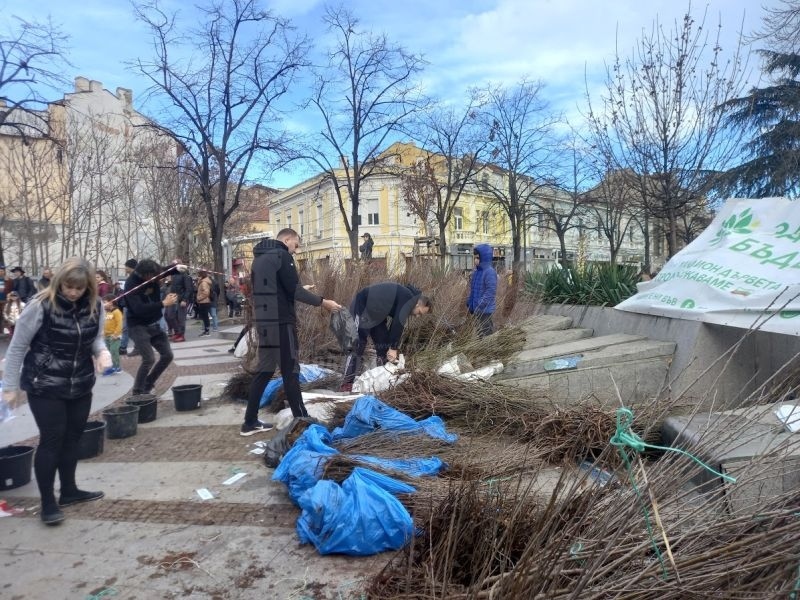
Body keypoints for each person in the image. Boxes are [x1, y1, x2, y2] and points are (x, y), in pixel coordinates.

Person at [1, 257, 112, 525]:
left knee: (73, 438)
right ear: (59, 282)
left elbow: (95, 338)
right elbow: (17, 347)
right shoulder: (40, 306)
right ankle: (48, 502)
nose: (73, 293)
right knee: (52, 440)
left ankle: (70, 491)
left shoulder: (94, 305)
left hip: (80, 382)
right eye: (68, 287)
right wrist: (10, 386)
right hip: (45, 384)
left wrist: (103, 352)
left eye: (79, 288)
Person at [243, 228, 341, 436]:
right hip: (281, 322)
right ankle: (302, 420)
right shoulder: (282, 255)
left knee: (265, 371)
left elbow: (270, 288)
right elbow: (294, 291)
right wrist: (324, 303)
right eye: (296, 245)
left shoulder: (259, 260)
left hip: (265, 322)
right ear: (287, 240)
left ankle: (249, 422)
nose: (296, 251)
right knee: (291, 372)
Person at [340, 282, 432, 392]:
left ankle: (383, 380)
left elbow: (396, 324)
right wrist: (393, 348)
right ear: (418, 304)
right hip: (362, 305)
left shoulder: (408, 298)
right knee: (358, 344)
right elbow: (398, 323)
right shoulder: (409, 299)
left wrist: (391, 347)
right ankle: (346, 383)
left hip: (377, 315)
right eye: (420, 313)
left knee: (383, 345)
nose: (417, 316)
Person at [124, 259, 179, 395]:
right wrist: (163, 303)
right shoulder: (131, 284)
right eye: (153, 277)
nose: (157, 279)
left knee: (167, 355)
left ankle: (148, 383)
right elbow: (138, 309)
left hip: (154, 324)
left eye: (157, 276)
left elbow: (167, 270)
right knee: (149, 358)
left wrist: (178, 268)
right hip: (137, 325)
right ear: (144, 275)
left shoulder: (153, 274)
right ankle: (137, 392)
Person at [466, 244, 498, 338]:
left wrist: (480, 304)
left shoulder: (489, 272)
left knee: (486, 336)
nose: (475, 259)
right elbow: (474, 290)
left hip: (485, 311)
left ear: (484, 258)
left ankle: (489, 352)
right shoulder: (477, 272)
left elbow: (490, 292)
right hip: (477, 310)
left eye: (478, 257)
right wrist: (470, 303)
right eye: (475, 257)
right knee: (480, 335)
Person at [165, 258, 194, 342]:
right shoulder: (173, 275)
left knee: (181, 318)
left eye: (174, 265)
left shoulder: (185, 275)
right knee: (169, 316)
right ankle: (177, 332)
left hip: (182, 299)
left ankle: (181, 335)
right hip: (173, 298)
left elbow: (189, 289)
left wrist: (184, 300)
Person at [119, 258, 138, 356]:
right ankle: (123, 347)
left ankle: (138, 346)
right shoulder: (130, 278)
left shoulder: (136, 279)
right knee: (125, 328)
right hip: (127, 305)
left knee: (131, 328)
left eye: (126, 267)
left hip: (132, 307)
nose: (125, 269)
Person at [102, 294, 123, 375]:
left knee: (113, 351)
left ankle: (116, 367)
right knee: (108, 352)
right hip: (106, 336)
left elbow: (119, 324)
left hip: (114, 336)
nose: (103, 304)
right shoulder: (107, 312)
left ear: (111, 302)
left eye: (104, 302)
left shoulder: (117, 312)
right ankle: (111, 366)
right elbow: (105, 323)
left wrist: (115, 334)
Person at [195, 270, 213, 337]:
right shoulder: (203, 282)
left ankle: (207, 331)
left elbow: (206, 292)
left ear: (201, 276)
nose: (197, 277)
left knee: (205, 317)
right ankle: (206, 330)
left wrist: (199, 298)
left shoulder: (204, 282)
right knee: (205, 317)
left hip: (204, 301)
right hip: (204, 301)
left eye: (198, 276)